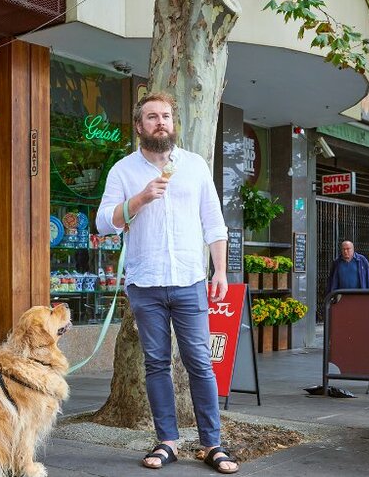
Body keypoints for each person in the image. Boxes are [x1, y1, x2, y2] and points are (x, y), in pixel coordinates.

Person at [95, 92, 238, 474]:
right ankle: (167, 441)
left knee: (199, 363)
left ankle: (212, 444)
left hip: (191, 279)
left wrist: (220, 271)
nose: (161, 122)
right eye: (153, 117)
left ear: (173, 124)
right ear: (140, 126)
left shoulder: (194, 166)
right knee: (156, 364)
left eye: (167, 117)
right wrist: (139, 199)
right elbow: (103, 223)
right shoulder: (123, 171)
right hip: (146, 283)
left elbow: (214, 221)